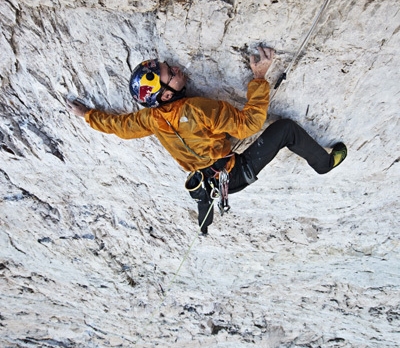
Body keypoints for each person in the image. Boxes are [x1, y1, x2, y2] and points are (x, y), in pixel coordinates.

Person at [68, 48, 347, 233]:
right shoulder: (199, 109)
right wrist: (260, 77)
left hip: (204, 183)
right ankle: (324, 164)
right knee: (286, 129)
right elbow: (249, 124)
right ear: (166, 94)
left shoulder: (150, 119)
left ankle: (205, 221)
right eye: (171, 73)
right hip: (234, 174)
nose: (176, 68)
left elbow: (118, 126)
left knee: (206, 194)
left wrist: (86, 115)